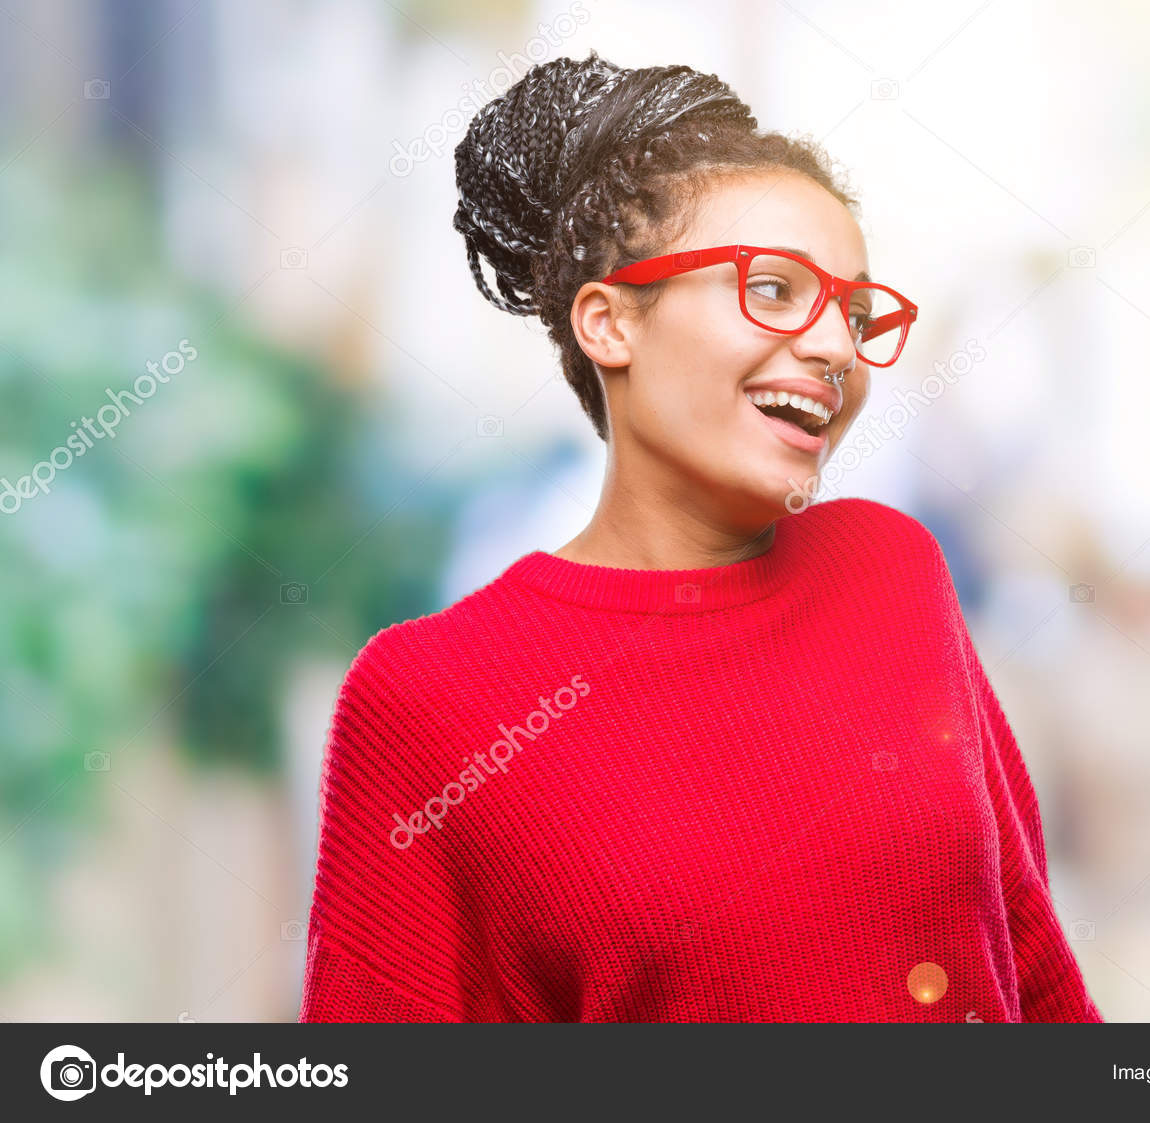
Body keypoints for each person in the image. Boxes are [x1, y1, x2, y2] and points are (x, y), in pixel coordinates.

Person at [298, 49, 1102, 1023]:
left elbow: (1033, 966)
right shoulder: (430, 699)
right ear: (610, 323)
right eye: (774, 289)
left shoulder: (892, 572)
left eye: (853, 312)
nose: (834, 347)